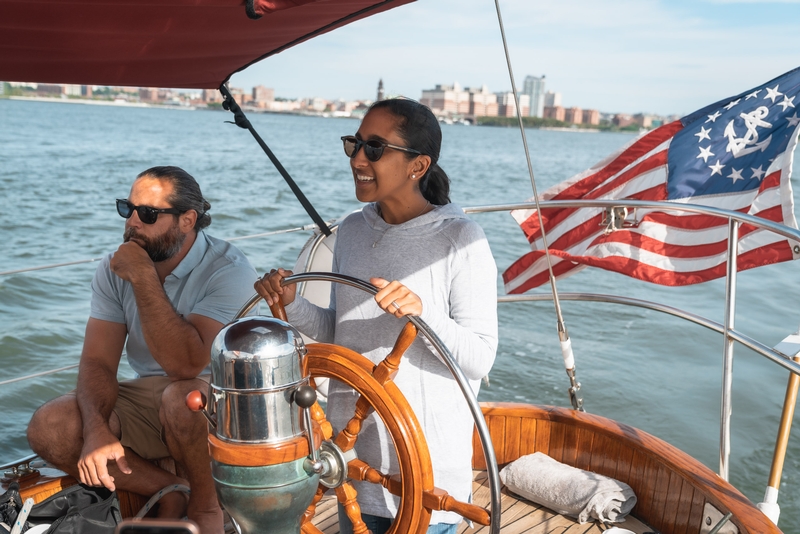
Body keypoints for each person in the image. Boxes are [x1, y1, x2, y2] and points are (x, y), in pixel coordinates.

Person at [255, 99, 498, 534]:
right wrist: (292, 302)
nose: (357, 158)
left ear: (417, 165)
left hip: (425, 470)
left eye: (374, 147)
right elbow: (341, 331)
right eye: (354, 144)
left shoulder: (461, 239)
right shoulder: (351, 229)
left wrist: (423, 315)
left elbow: (480, 358)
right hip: (352, 458)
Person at [27, 166, 258, 534]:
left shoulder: (228, 271)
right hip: (150, 394)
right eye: (127, 209)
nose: (132, 222)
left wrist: (144, 277)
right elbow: (98, 361)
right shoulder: (114, 267)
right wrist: (95, 429)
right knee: (50, 426)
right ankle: (168, 489)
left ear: (187, 220)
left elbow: (187, 364)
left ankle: (205, 505)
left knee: (183, 399)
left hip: (219, 401)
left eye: (148, 214)